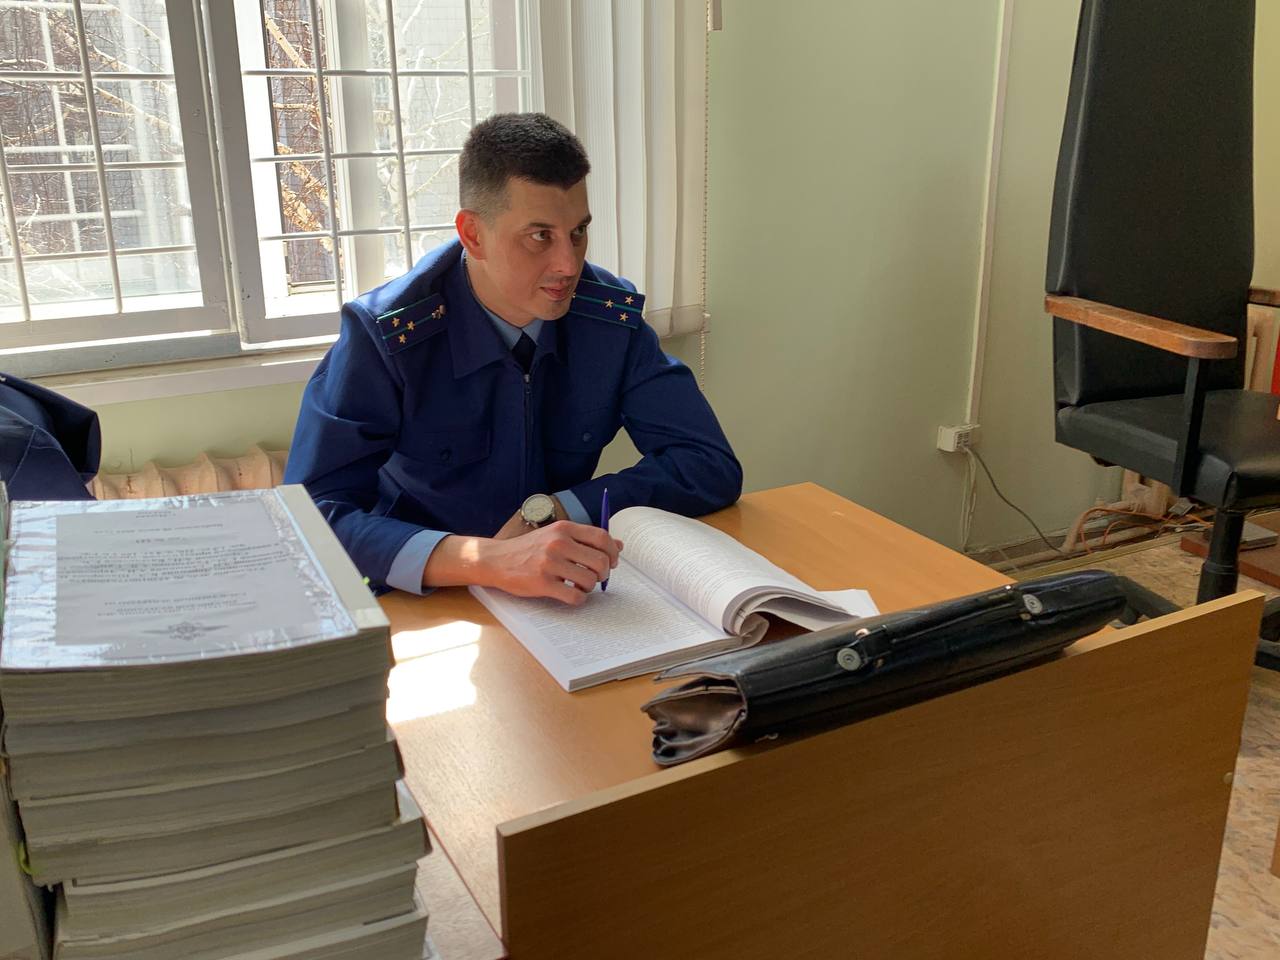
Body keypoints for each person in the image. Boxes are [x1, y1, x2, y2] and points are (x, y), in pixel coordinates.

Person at [285, 113, 741, 603]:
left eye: (578, 232)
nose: (569, 265)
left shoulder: (607, 320)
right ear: (473, 234)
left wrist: (559, 510)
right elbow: (309, 517)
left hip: (557, 591)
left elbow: (708, 464)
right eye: (539, 236)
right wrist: (485, 560)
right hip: (426, 597)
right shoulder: (387, 334)